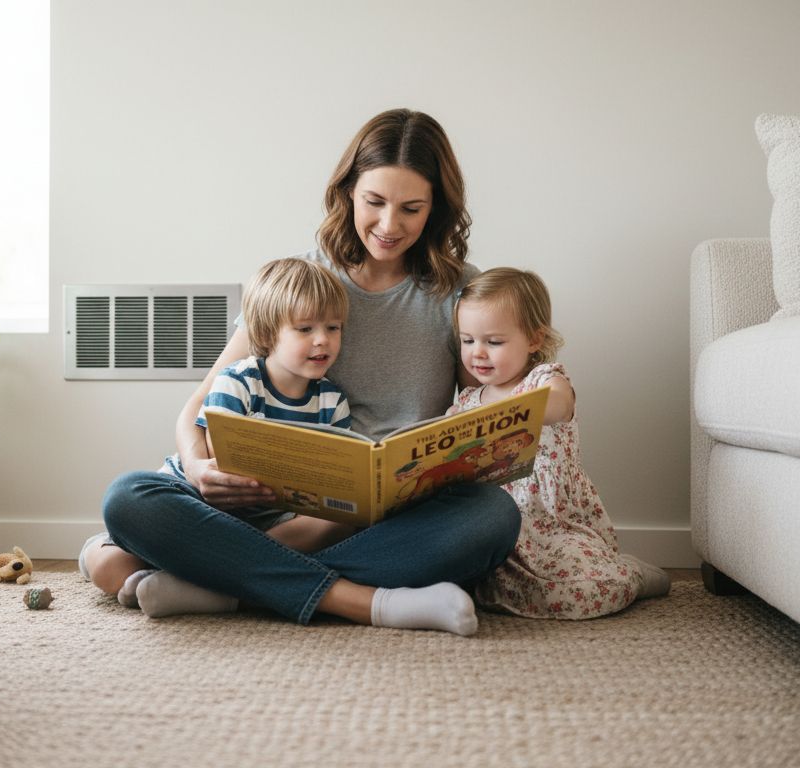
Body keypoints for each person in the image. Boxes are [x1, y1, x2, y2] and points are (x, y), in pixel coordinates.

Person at [96, 108, 520, 637]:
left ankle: (222, 578)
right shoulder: (300, 283)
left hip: (382, 519)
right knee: (129, 497)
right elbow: (198, 409)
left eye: (411, 208)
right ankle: (362, 601)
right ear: (347, 192)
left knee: (492, 518)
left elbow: (478, 408)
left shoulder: (458, 290)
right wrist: (198, 468)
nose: (389, 226)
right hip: (269, 508)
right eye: (374, 202)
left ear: (436, 209)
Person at [80, 257, 358, 609]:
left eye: (333, 328)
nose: (323, 340)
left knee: (334, 522)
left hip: (270, 518)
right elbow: (221, 455)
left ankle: (203, 578)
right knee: (108, 564)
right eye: (305, 329)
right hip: (203, 501)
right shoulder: (239, 379)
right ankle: (220, 576)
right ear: (268, 333)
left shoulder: (332, 401)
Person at [448, 267, 670, 619]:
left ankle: (633, 576)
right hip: (495, 531)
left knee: (579, 591)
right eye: (467, 340)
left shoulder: (543, 381)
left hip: (552, 526)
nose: (478, 353)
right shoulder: (466, 401)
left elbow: (558, 404)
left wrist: (502, 419)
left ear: (534, 340)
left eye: (493, 342)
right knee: (477, 581)